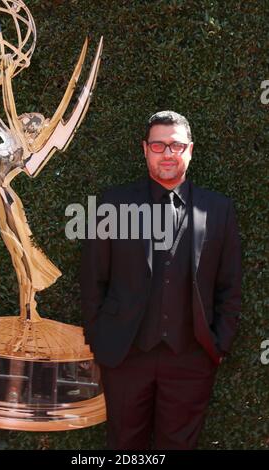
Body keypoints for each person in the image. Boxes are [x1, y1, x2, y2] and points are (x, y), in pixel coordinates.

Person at [80, 110, 241, 450]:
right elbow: (94, 278)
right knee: (124, 445)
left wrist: (218, 344)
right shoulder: (113, 204)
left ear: (190, 150)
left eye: (176, 145)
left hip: (191, 357)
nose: (167, 153)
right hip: (126, 355)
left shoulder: (219, 209)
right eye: (158, 145)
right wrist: (99, 337)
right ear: (145, 150)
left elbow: (229, 285)